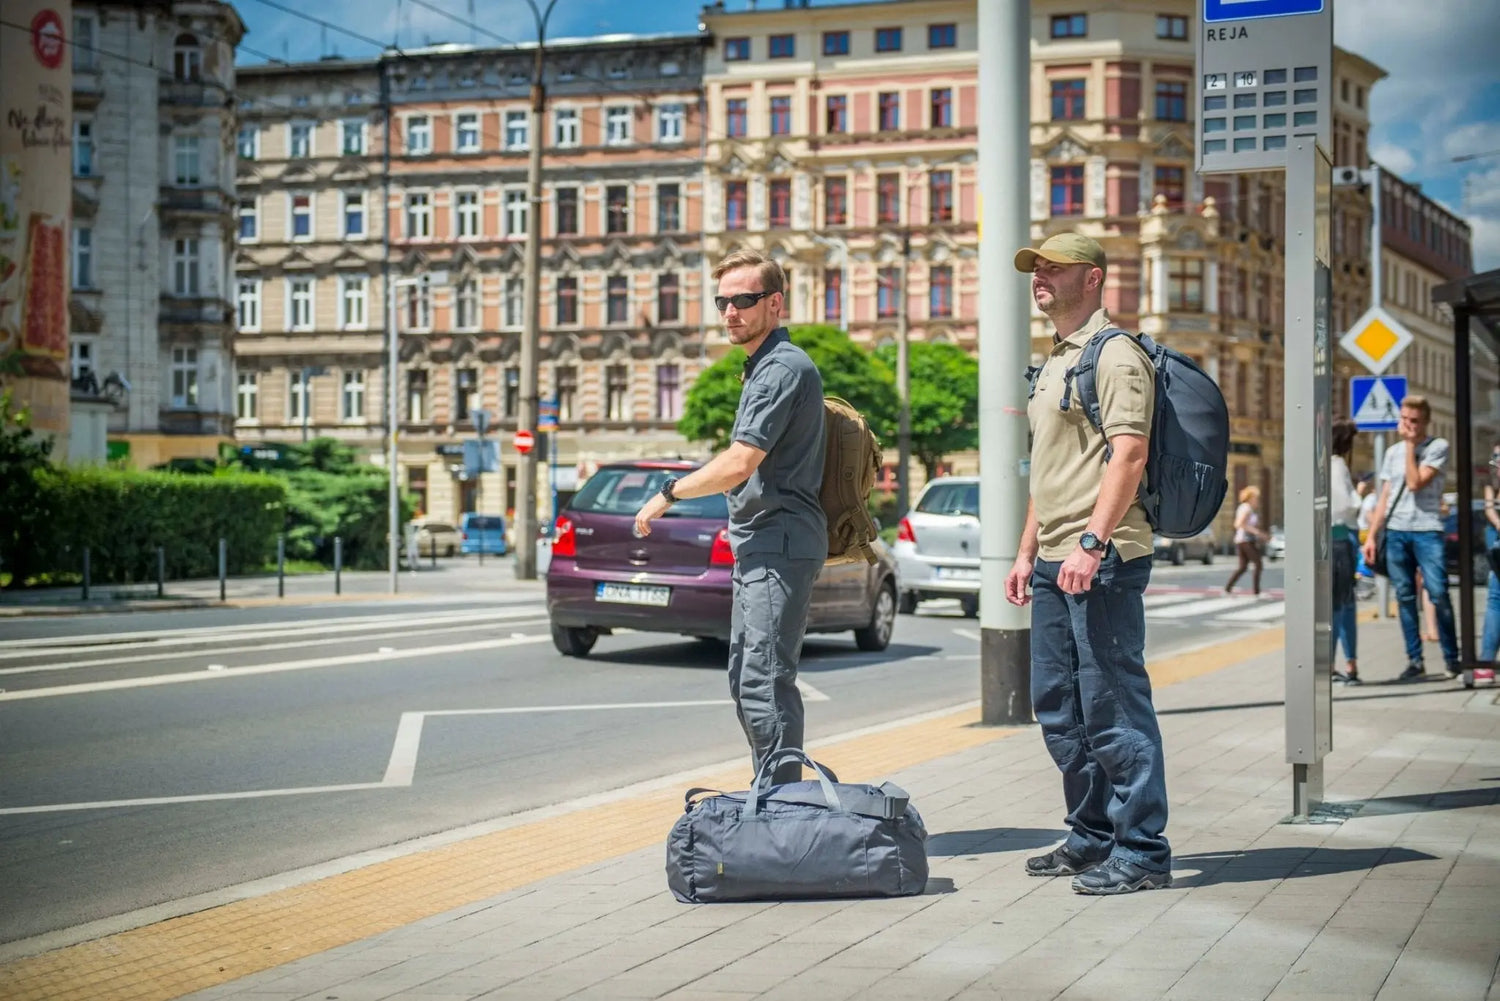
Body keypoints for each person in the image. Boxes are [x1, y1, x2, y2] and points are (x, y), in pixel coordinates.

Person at [1003, 232, 1171, 895]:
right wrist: (1025, 552)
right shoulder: (1053, 363)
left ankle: (1142, 850)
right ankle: (1092, 834)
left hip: (1103, 558)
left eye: (1053, 267)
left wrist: (1093, 543)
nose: (1039, 276)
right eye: (1035, 267)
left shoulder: (1116, 354)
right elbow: (1047, 474)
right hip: (1053, 558)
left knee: (1114, 706)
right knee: (1059, 707)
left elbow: (1128, 454)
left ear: (1093, 278)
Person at [634, 249, 826, 785]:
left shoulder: (781, 369)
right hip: (762, 542)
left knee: (765, 681)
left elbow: (741, 461)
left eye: (743, 300)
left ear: (774, 303)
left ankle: (781, 807)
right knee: (749, 678)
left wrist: (668, 493)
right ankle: (775, 796)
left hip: (778, 541)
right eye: (722, 301)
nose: (730, 312)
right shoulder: (762, 367)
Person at [1361, 395, 1458, 681]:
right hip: (1396, 531)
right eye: (1404, 419)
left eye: (1414, 421)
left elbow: (1415, 483)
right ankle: (1415, 660)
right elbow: (1386, 497)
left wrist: (1410, 446)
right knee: (1404, 596)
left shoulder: (1437, 447)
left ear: (1426, 422)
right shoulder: (1392, 453)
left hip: (1427, 530)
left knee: (1438, 592)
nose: (1408, 425)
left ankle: (1452, 658)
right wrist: (1371, 536)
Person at [1330, 418, 1361, 683]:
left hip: (1334, 540)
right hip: (1341, 539)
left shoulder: (1321, 465)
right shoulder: (1337, 465)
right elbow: (1343, 505)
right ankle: (1345, 664)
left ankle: (1343, 665)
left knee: (1339, 604)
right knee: (1341, 605)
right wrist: (1360, 494)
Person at [1478, 445, 1500, 681]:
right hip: (1496, 538)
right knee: (1495, 597)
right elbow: (1489, 507)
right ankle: (1485, 659)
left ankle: (1485, 660)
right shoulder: (1491, 484)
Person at [1224, 486, 1269, 595]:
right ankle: (1256, 591)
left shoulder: (1245, 508)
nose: (1257, 500)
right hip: (1246, 541)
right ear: (1250, 498)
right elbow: (1239, 524)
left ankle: (1228, 588)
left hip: (1243, 540)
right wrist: (1258, 533)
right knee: (1258, 564)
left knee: (1243, 567)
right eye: (1256, 498)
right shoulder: (1247, 508)